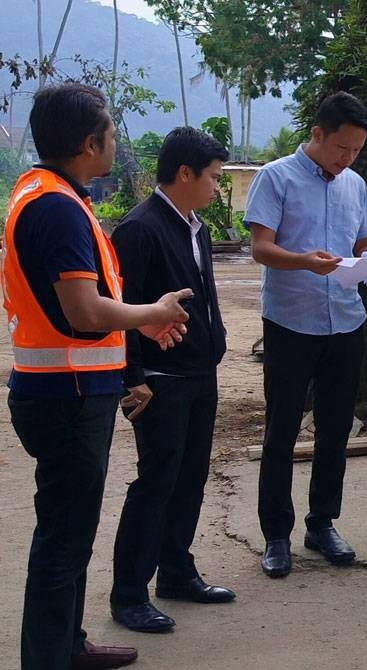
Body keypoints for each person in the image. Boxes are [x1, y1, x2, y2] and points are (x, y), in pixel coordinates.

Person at [5, 83, 192, 670]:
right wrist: (152, 313)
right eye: (112, 132)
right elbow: (84, 311)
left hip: (67, 388)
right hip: (67, 393)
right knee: (64, 536)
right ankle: (49, 657)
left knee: (70, 528)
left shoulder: (46, 192)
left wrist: (137, 334)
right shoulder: (57, 207)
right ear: (90, 143)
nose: (116, 141)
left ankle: (66, 643)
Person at [245, 91, 367, 578]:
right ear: (318, 134)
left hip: (345, 320)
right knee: (281, 429)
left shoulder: (355, 185)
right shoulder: (275, 176)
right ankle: (276, 535)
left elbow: (363, 244)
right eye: (342, 147)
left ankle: (322, 523)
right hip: (290, 321)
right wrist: (303, 260)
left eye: (357, 151)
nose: (348, 159)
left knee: (335, 426)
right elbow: (261, 247)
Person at [107, 127, 233, 633]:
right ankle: (129, 592)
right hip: (159, 379)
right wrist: (131, 376)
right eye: (214, 178)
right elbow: (120, 308)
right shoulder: (140, 229)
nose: (216, 188)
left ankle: (176, 571)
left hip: (199, 373)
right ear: (185, 173)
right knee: (156, 481)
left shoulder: (195, 226)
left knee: (190, 478)